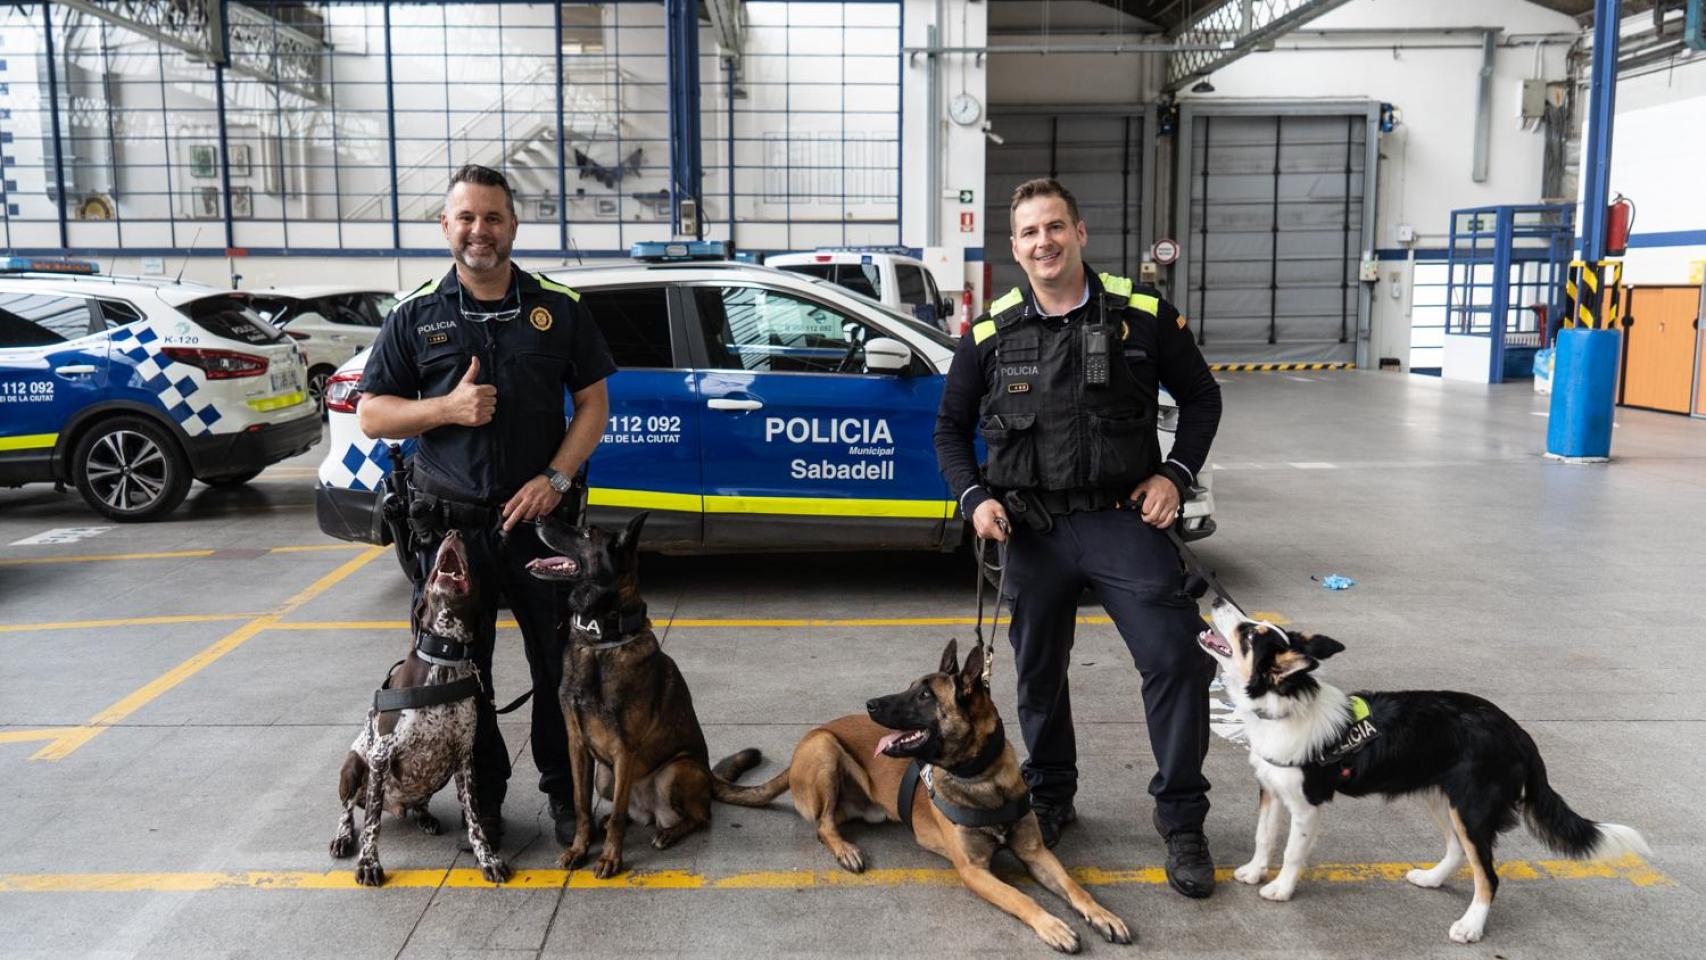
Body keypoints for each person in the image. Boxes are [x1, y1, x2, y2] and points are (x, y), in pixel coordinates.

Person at [933, 178, 1223, 898]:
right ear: (1015, 247)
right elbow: (949, 429)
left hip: (1123, 519)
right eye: (1029, 233)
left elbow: (1202, 397)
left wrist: (1176, 475)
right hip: (1032, 528)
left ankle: (1182, 818)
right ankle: (1052, 795)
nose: (1044, 243)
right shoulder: (991, 332)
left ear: (1080, 232)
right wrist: (974, 499)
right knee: (1035, 674)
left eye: (1055, 227)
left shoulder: (1143, 314)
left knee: (1177, 661)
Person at [358, 164, 614, 849]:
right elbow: (373, 415)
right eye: (466, 217)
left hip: (539, 526)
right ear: (446, 226)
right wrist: (447, 407)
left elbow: (594, 403)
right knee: (461, 676)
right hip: (451, 537)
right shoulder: (414, 314)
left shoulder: (558, 307)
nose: (480, 230)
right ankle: (488, 800)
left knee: (559, 667)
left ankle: (568, 799)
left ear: (513, 226)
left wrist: (556, 478)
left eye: (492, 217)